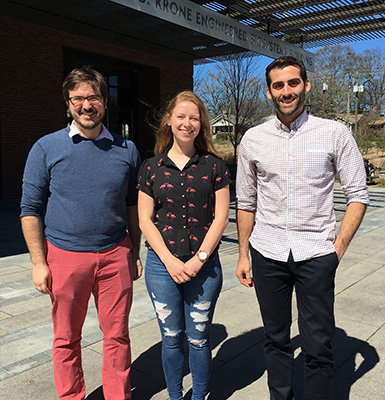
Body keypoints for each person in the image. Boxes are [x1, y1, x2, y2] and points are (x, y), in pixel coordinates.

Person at [235, 56, 370, 400]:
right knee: (276, 339)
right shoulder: (253, 139)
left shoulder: (334, 133)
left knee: (318, 345)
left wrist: (336, 249)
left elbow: (358, 194)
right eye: (278, 85)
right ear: (269, 92)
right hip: (267, 251)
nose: (286, 91)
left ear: (306, 85)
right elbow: (246, 202)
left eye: (293, 83)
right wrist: (243, 254)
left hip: (316, 253)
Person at [20, 66, 142, 400]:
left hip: (116, 253)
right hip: (65, 256)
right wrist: (38, 263)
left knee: (117, 336)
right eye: (78, 98)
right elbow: (30, 209)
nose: (86, 105)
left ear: (105, 100)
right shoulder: (46, 148)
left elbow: (132, 204)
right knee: (65, 338)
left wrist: (135, 251)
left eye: (93, 97)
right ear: (68, 102)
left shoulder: (126, 150)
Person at [137, 90, 231, 400]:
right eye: (181, 116)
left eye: (194, 117)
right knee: (172, 338)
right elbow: (145, 220)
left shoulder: (215, 166)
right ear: (169, 120)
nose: (187, 123)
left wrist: (198, 259)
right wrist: (170, 261)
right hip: (162, 267)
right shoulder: (152, 167)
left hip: (204, 269)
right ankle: (175, 396)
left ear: (201, 123)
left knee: (200, 339)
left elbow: (220, 218)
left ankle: (200, 395)